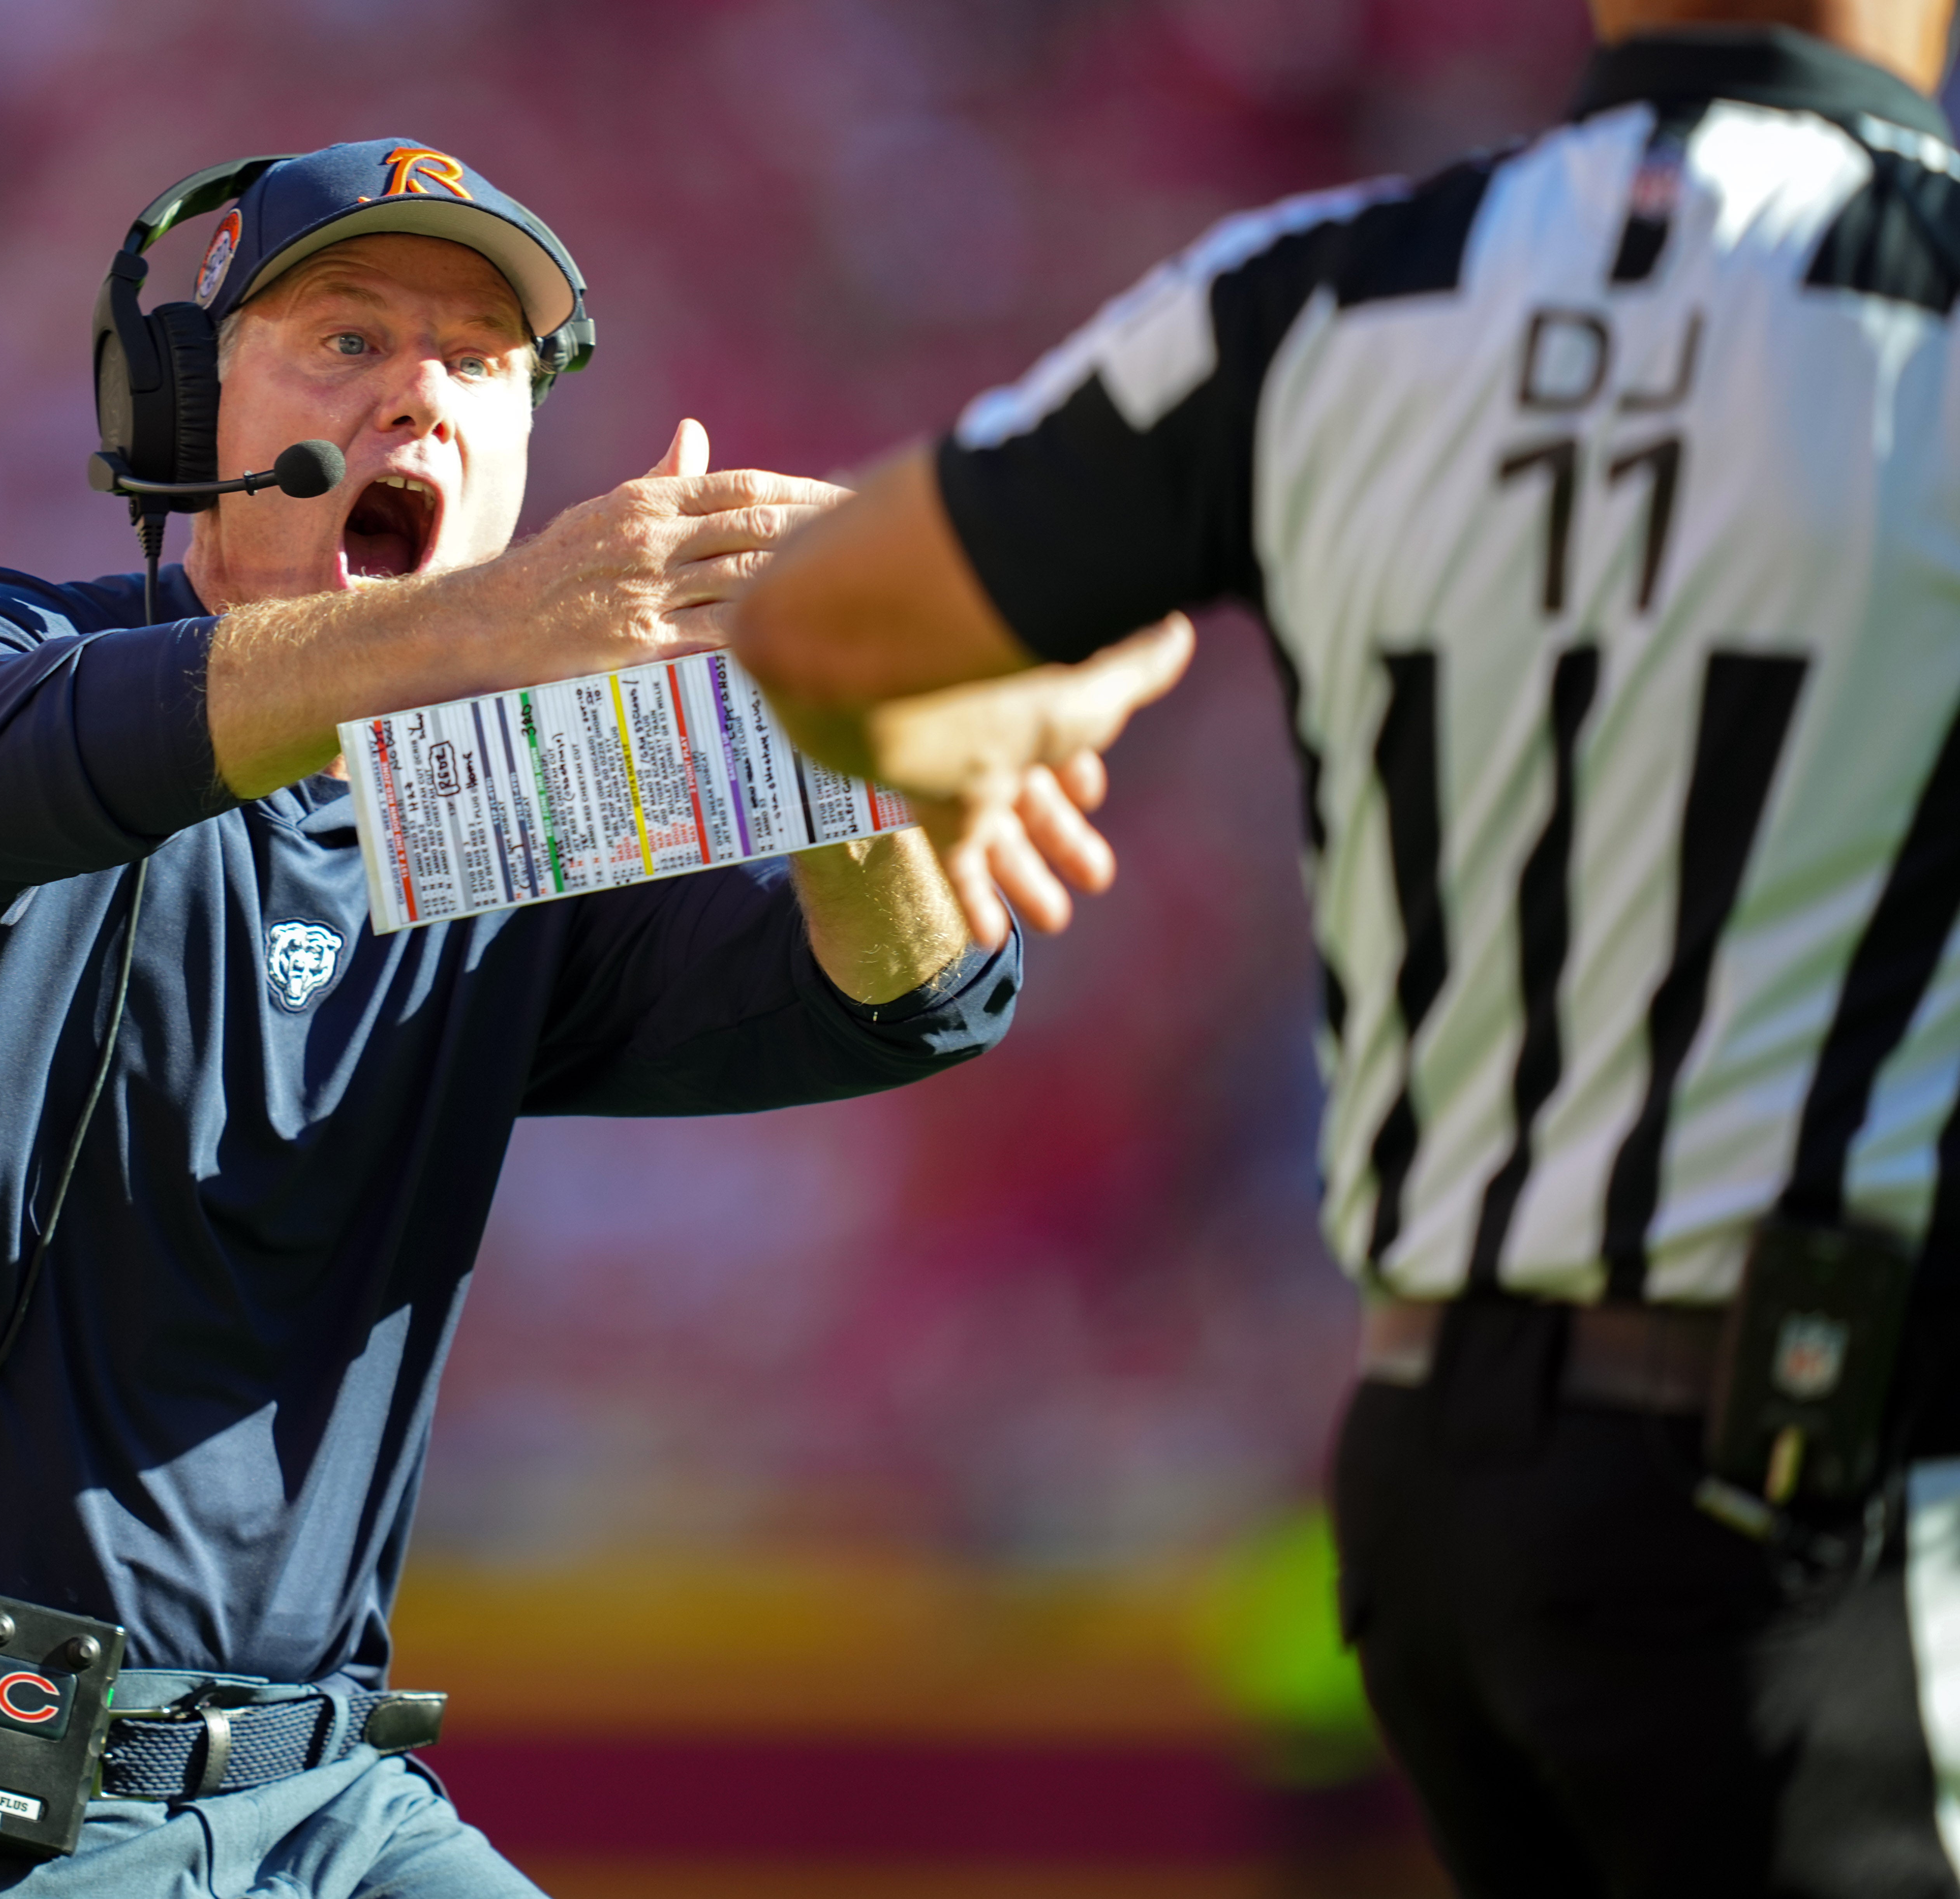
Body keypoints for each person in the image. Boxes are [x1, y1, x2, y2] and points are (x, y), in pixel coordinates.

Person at [0, 138, 1020, 1899]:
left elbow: (912, 997)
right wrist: (493, 632)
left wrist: (839, 754)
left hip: (324, 1801)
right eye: (349, 342)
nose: (421, 400)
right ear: (185, 412)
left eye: (479, 362)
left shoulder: (507, 809)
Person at [733, 6, 1960, 1894]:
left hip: (1432, 1481)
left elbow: (816, 625)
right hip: (1826, 1484)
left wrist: (960, 749)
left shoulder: (1321, 290)